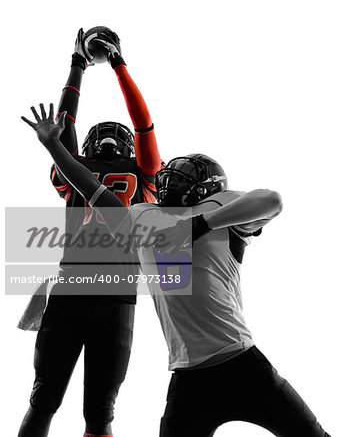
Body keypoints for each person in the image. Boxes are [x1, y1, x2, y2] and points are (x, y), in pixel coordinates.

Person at [22, 104, 331, 437]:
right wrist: (53, 146)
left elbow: (272, 200)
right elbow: (95, 192)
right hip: (187, 375)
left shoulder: (222, 208)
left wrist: (199, 224)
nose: (173, 179)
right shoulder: (144, 215)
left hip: (242, 363)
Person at [18, 28, 163, 437]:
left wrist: (78, 66)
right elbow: (143, 124)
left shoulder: (74, 169)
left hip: (83, 290)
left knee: (61, 403)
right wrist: (116, 64)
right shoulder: (143, 175)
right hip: (111, 294)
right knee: (66, 403)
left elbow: (66, 126)